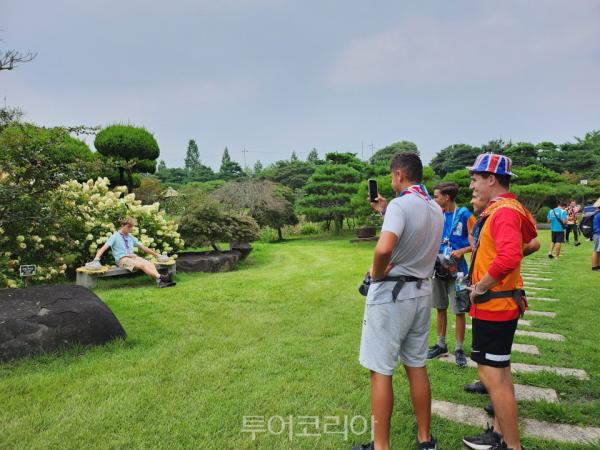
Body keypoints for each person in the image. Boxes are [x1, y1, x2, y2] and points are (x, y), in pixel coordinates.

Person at [353, 153, 443, 450]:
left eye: (392, 176)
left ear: (400, 175)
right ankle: (425, 439)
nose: (391, 182)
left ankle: (381, 446)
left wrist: (376, 275)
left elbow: (384, 250)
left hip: (392, 296)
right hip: (421, 293)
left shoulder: (401, 205)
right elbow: (414, 238)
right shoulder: (434, 207)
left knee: (380, 370)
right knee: (416, 365)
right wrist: (385, 211)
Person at [461, 154, 539, 450]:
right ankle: (500, 435)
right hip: (500, 304)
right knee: (499, 374)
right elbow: (530, 243)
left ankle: (511, 445)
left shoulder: (503, 211)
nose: (472, 185)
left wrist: (480, 287)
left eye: (475, 178)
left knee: (493, 377)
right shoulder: (508, 208)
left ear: (491, 178)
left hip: (495, 307)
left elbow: (509, 256)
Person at [427, 182, 473, 367]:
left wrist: (463, 250)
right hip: (438, 268)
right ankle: (440, 345)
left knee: (459, 310)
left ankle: (459, 349)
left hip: (458, 270)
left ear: (447, 197)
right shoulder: (435, 215)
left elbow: (478, 241)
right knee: (440, 307)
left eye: (436, 196)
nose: (433, 199)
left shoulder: (465, 215)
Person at [91, 217, 175, 288]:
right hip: (122, 259)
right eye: (128, 227)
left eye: (131, 227)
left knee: (150, 263)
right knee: (142, 265)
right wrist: (96, 259)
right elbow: (103, 248)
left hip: (133, 257)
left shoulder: (130, 237)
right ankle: (162, 278)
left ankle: (160, 281)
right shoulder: (114, 237)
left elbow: (143, 247)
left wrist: (157, 255)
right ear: (122, 226)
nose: (130, 229)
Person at [592, 206, 600, 271]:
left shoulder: (597, 214)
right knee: (596, 250)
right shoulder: (598, 215)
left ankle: (598, 265)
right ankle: (594, 266)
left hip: (596, 234)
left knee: (598, 250)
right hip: (598, 234)